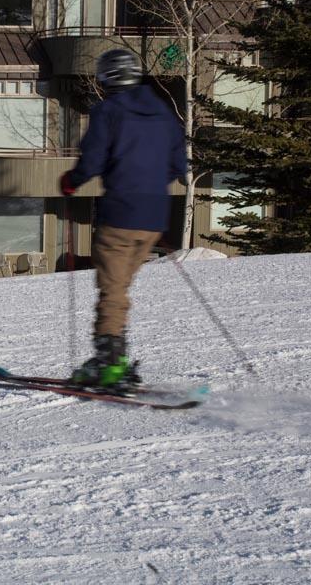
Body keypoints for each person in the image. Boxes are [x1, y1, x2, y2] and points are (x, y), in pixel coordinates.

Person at [59, 48, 187, 389]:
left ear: (106, 79)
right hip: (154, 219)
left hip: (120, 215)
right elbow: (179, 166)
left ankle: (109, 364)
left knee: (111, 290)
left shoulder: (108, 112)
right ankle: (115, 355)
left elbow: (93, 160)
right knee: (120, 289)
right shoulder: (163, 113)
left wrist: (70, 182)